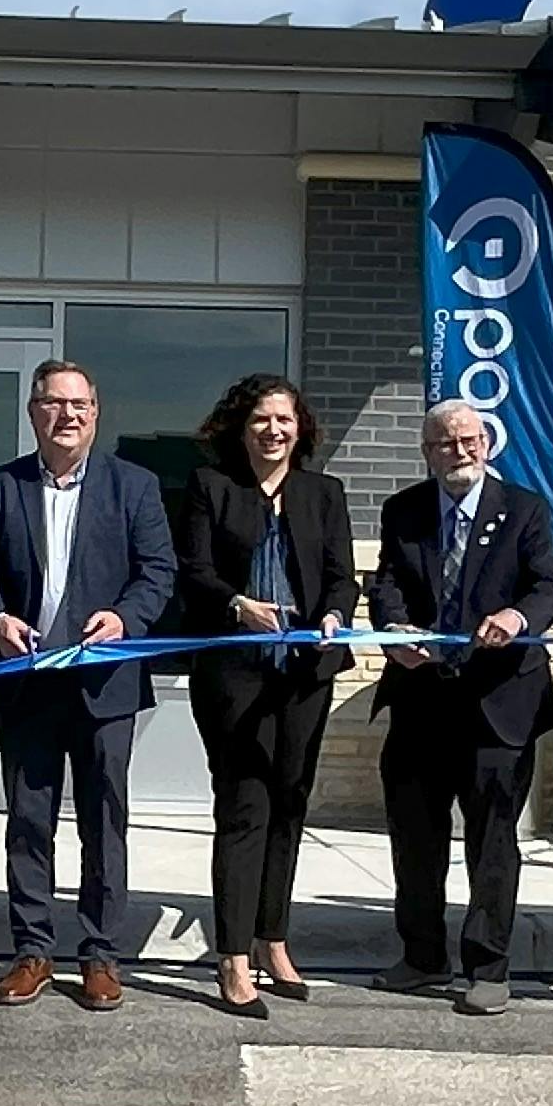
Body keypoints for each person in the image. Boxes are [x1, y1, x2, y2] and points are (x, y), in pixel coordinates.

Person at [0, 359, 179, 1012]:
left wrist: (126, 617)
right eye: (54, 403)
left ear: (96, 411)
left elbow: (157, 571)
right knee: (28, 822)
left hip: (104, 685)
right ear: (33, 412)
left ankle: (100, 955)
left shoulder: (132, 486)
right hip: (28, 681)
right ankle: (32, 951)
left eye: (79, 404)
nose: (67, 415)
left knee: (103, 823)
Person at [365, 400, 553, 1016]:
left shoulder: (525, 510)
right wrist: (395, 629)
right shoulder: (404, 510)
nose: (461, 451)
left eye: (470, 440)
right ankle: (422, 956)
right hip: (422, 700)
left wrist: (517, 617)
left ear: (487, 444)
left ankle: (488, 967)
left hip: (498, 703)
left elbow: (549, 587)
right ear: (428, 452)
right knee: (415, 838)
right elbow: (387, 583)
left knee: (493, 842)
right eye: (447, 443)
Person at [177, 374, 355, 1018]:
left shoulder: (323, 494)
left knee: (289, 803)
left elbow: (341, 577)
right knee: (246, 807)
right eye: (260, 421)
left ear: (300, 429)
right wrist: (237, 604)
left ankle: (273, 937)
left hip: (304, 673)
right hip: (235, 672)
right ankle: (232, 957)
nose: (273, 431)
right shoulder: (212, 488)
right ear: (239, 429)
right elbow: (192, 571)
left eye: (284, 420)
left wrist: (334, 615)